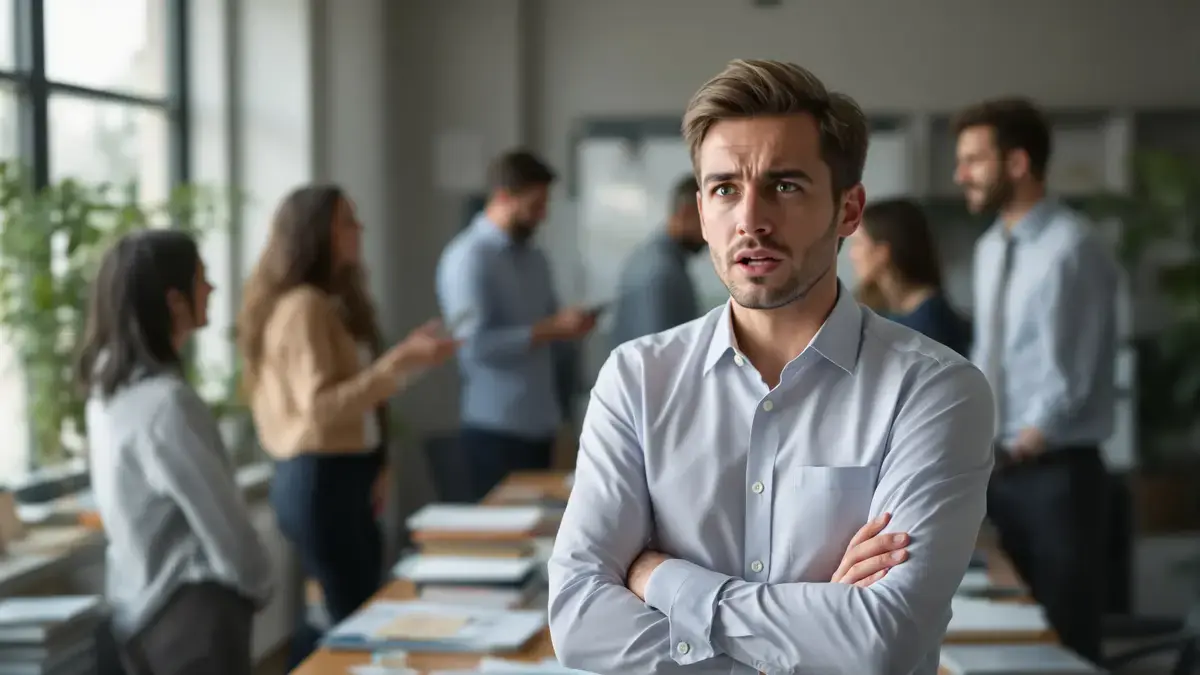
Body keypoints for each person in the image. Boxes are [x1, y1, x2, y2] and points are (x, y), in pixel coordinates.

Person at [548, 59, 995, 674]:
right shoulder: (635, 380)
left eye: (785, 186)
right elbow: (579, 624)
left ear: (848, 210)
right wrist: (818, 625)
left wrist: (665, 580)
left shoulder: (935, 391)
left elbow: (883, 640)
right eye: (725, 188)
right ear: (702, 211)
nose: (751, 219)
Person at [238, 185, 457, 666]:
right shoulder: (304, 307)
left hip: (344, 474)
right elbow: (321, 409)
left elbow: (359, 397)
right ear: (315, 233)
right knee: (348, 619)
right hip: (319, 477)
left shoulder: (333, 302)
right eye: (347, 222)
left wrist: (378, 458)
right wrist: (398, 362)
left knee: (347, 613)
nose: (360, 230)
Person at [955, 97, 1118, 662]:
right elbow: (986, 358)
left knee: (1063, 645)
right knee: (1011, 641)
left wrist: (1020, 446)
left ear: (1018, 163)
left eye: (974, 160)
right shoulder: (988, 249)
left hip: (1057, 477)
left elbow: (1069, 379)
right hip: (1003, 471)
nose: (961, 175)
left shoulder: (1072, 248)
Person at [80, 230, 273, 675]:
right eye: (202, 278)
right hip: (192, 615)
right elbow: (219, 520)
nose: (211, 289)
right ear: (174, 301)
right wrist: (259, 583)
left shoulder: (107, 393)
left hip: (140, 609)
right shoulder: (168, 404)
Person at [436, 150, 597, 501]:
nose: (543, 214)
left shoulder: (535, 257)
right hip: (494, 431)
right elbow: (471, 346)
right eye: (536, 204)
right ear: (504, 196)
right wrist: (550, 330)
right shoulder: (468, 258)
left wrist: (569, 325)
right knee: (501, 542)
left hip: (540, 425)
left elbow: (549, 322)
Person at [847, 198, 972, 356]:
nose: (852, 255)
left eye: (857, 243)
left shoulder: (929, 321)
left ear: (882, 253)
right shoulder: (877, 307)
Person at [609, 175, 707, 347]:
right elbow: (657, 357)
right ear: (687, 212)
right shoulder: (661, 273)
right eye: (708, 221)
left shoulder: (652, 259)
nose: (711, 236)